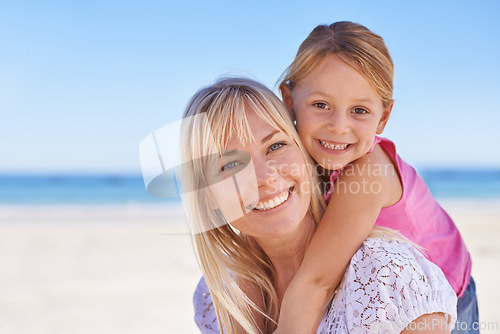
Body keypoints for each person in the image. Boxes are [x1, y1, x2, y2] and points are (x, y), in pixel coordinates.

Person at [183, 77, 457, 333]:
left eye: (276, 146)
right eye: (230, 165)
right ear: (207, 197)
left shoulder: (387, 277)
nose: (265, 177)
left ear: (303, 151)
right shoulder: (213, 296)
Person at [277, 21, 478, 333]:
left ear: (383, 116)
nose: (338, 126)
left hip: (443, 298)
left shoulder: (367, 172)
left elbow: (315, 282)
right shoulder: (300, 156)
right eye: (321, 105)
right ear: (289, 100)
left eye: (359, 111)